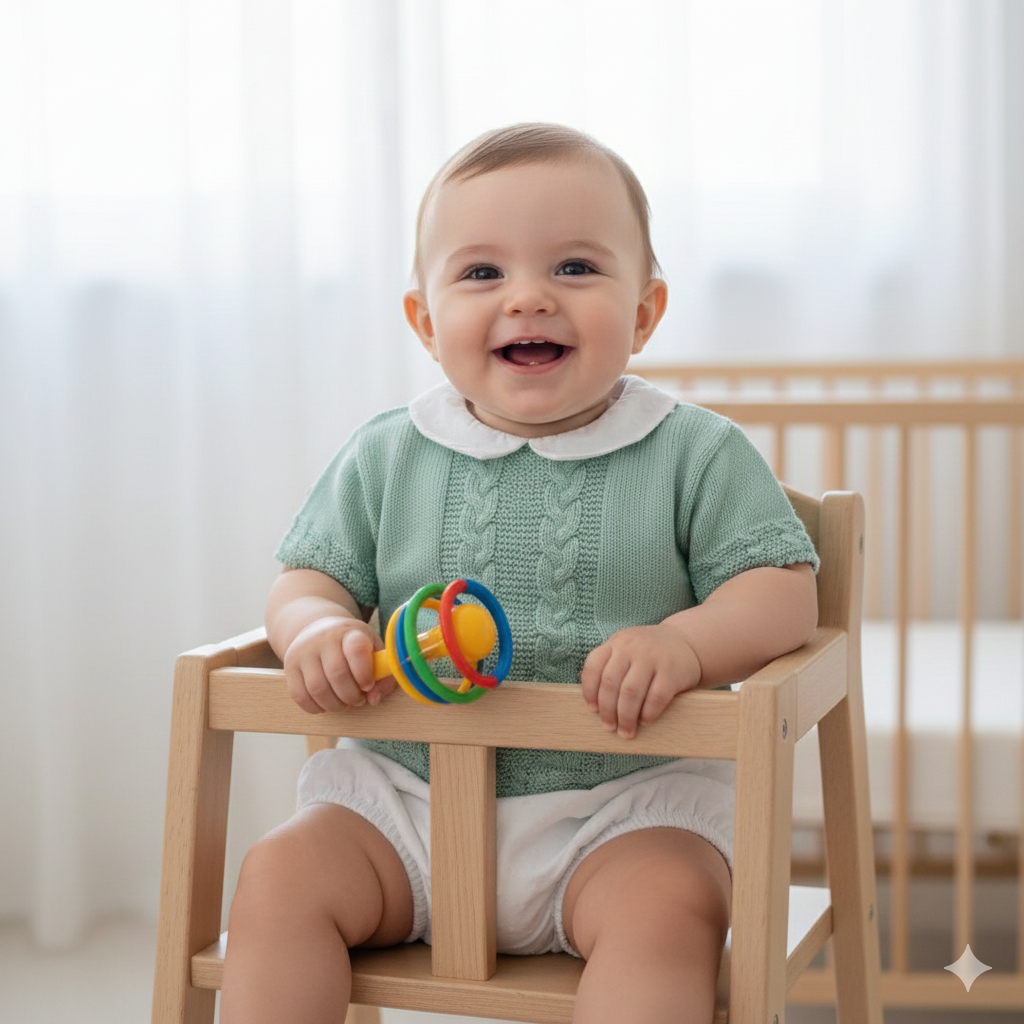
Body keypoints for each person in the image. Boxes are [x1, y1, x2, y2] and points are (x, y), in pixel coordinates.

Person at [220, 123, 819, 1024]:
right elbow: (308, 579)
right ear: (426, 321)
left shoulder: (696, 451)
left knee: (668, 909)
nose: (529, 298)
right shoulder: (386, 454)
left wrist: (684, 644)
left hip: (623, 811)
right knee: (278, 876)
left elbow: (782, 590)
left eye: (576, 268)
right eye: (481, 273)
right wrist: (316, 630)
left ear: (646, 311)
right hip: (401, 806)